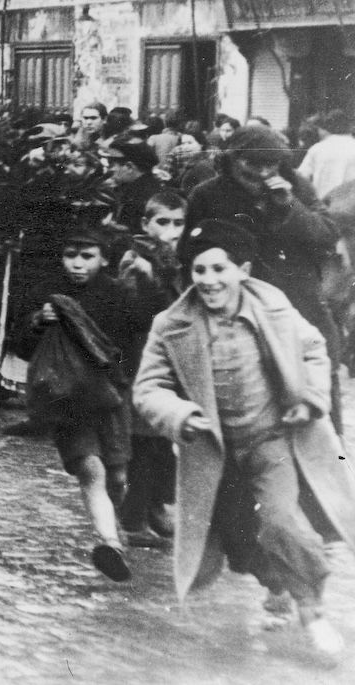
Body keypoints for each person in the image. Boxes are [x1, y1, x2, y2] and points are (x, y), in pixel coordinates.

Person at [133, 219, 355, 663]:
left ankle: (312, 613)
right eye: (200, 270)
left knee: (280, 522)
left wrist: (311, 398)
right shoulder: (171, 324)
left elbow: (314, 348)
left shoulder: (274, 308)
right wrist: (181, 414)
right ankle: (276, 585)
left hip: (270, 440)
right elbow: (147, 389)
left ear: (243, 270)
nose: (209, 281)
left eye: (220, 269)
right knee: (240, 544)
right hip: (215, 454)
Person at [11, 225, 157, 581]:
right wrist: (35, 323)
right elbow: (22, 347)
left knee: (118, 476)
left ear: (104, 259)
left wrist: (147, 284)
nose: (77, 264)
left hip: (112, 396)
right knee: (91, 469)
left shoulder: (119, 293)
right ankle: (109, 543)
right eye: (70, 256)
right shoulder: (50, 298)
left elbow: (147, 324)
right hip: (70, 400)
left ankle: (115, 524)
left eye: (87, 257)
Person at [184, 124, 342, 433]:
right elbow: (188, 253)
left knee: (316, 389)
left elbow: (327, 234)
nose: (262, 172)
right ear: (231, 159)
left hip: (298, 304)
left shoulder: (297, 187)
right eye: (252, 163)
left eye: (271, 164)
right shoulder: (207, 194)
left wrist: (288, 206)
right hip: (237, 309)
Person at [116, 189, 186, 547]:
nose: (170, 229)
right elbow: (143, 314)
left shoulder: (176, 260)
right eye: (163, 222)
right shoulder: (136, 260)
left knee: (163, 442)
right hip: (142, 359)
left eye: (178, 222)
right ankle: (133, 518)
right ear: (146, 223)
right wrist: (149, 278)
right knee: (145, 442)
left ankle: (156, 506)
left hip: (171, 362)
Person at [103, 140, 163, 233]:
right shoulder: (147, 186)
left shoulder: (139, 197)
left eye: (112, 165)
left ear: (129, 167)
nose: (109, 170)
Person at [297, 109, 355, 200]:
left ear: (328, 128)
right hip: (350, 208)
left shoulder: (317, 149)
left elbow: (301, 177)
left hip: (323, 205)